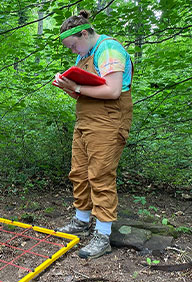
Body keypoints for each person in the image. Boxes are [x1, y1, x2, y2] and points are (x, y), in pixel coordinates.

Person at [53, 10, 133, 259]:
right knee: (79, 172)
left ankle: (103, 234)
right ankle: (81, 221)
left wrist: (76, 86)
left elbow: (112, 91)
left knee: (100, 175)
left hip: (108, 121)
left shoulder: (108, 49)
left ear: (85, 34)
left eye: (73, 45)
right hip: (86, 121)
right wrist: (69, 87)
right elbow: (84, 93)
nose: (73, 51)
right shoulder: (85, 55)